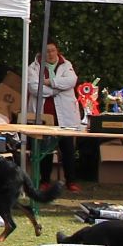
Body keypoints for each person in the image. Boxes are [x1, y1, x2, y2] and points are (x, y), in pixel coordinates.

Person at [27, 41, 81, 193]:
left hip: (65, 116)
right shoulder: (33, 67)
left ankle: (71, 181)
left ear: (57, 51)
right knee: (45, 150)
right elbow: (34, 87)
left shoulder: (66, 64)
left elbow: (71, 81)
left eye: (52, 51)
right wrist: (55, 90)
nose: (50, 54)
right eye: (46, 51)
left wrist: (50, 82)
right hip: (44, 116)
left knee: (68, 149)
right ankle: (45, 180)